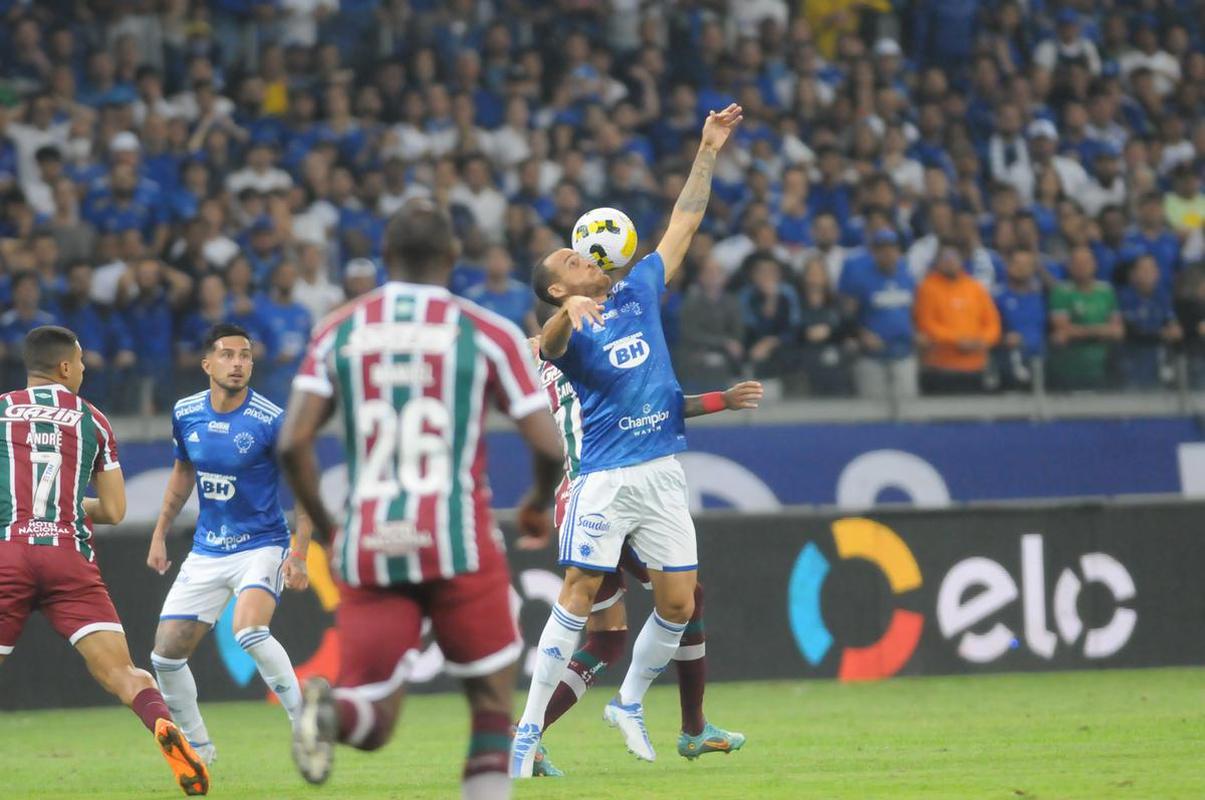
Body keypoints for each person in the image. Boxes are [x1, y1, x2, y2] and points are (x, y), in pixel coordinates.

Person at [278, 200, 565, 799]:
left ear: (384, 259)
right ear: (454, 258)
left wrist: (333, 535)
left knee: (375, 720)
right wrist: (538, 500)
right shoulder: (487, 331)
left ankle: (333, 714)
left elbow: (294, 443)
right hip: (457, 540)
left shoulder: (340, 329)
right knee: (490, 704)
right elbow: (547, 444)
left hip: (371, 543)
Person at [513, 103, 743, 776]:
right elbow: (546, 349)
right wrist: (563, 316)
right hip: (601, 480)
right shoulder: (565, 330)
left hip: (661, 472)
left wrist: (707, 149)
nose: (583, 256)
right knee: (582, 596)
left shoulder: (639, 288)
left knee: (677, 603)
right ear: (558, 287)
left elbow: (685, 221)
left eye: (584, 252)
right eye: (569, 258)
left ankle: (635, 706)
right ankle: (525, 733)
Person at [528, 318, 760, 775]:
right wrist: (721, 401)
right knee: (684, 598)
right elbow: (651, 409)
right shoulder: (589, 354)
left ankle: (528, 734)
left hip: (580, 497)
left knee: (609, 637)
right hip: (607, 494)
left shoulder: (535, 354)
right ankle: (692, 728)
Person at [0, 325, 209, 796]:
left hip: (8, 553)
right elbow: (115, 511)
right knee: (123, 673)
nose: (85, 370)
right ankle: (161, 724)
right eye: (82, 362)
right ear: (66, 367)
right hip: (69, 559)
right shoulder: (93, 420)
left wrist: (25, 508)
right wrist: (65, 506)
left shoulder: (1, 411)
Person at [146, 324, 312, 768]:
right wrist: (161, 532)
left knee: (249, 630)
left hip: (262, 544)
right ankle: (199, 749)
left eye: (245, 356)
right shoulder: (185, 412)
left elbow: (305, 488)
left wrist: (299, 554)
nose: (237, 363)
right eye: (227, 355)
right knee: (164, 656)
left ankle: (305, 725)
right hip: (207, 549)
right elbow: (183, 472)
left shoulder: (271, 420)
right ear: (207, 364)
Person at [839, 228, 919, 400]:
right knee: (871, 414)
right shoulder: (860, 279)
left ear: (898, 251)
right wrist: (861, 334)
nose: (887, 252)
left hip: (904, 354)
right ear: (873, 252)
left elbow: (916, 310)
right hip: (872, 356)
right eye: (881, 248)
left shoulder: (908, 277)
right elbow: (847, 315)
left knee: (909, 409)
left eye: (891, 248)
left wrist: (916, 332)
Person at [914, 245, 1002, 394]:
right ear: (938, 262)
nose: (950, 262)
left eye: (954, 258)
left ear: (961, 261)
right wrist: (957, 340)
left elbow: (993, 324)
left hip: (976, 367)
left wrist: (982, 341)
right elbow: (927, 324)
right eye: (946, 258)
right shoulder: (927, 288)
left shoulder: (975, 288)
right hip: (941, 369)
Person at [1048, 246, 1123, 390]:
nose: (1082, 267)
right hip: (1069, 368)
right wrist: (1102, 331)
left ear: (1095, 264)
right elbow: (1062, 330)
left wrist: (1079, 332)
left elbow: (1118, 331)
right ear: (1070, 266)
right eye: (1077, 263)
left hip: (1103, 367)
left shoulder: (1106, 291)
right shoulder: (1061, 292)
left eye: (1086, 263)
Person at [994, 249, 1047, 389]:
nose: (1021, 268)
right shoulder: (997, 297)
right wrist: (1002, 338)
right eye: (1017, 263)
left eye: (1026, 264)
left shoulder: (1041, 296)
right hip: (1008, 363)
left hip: (1041, 363)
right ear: (1008, 266)